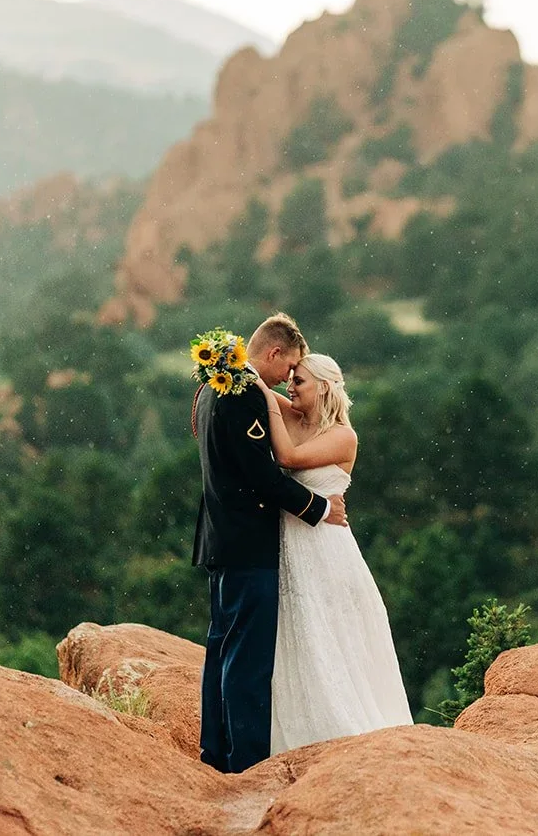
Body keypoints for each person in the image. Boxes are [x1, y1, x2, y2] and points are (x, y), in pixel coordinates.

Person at [191, 313, 348, 774]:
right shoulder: (239, 392)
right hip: (248, 547)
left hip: (222, 542)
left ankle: (215, 750)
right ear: (275, 353)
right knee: (248, 662)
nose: (287, 379)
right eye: (290, 366)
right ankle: (247, 764)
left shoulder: (214, 385)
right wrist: (319, 510)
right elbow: (262, 477)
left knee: (221, 649)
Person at [259, 351, 413, 753]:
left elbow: (287, 458)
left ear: (324, 387)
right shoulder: (291, 414)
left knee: (327, 633)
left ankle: (342, 733)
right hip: (289, 545)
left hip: (326, 550)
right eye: (289, 378)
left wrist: (265, 393)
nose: (288, 386)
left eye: (299, 381)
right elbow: (249, 384)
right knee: (295, 636)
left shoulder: (344, 436)